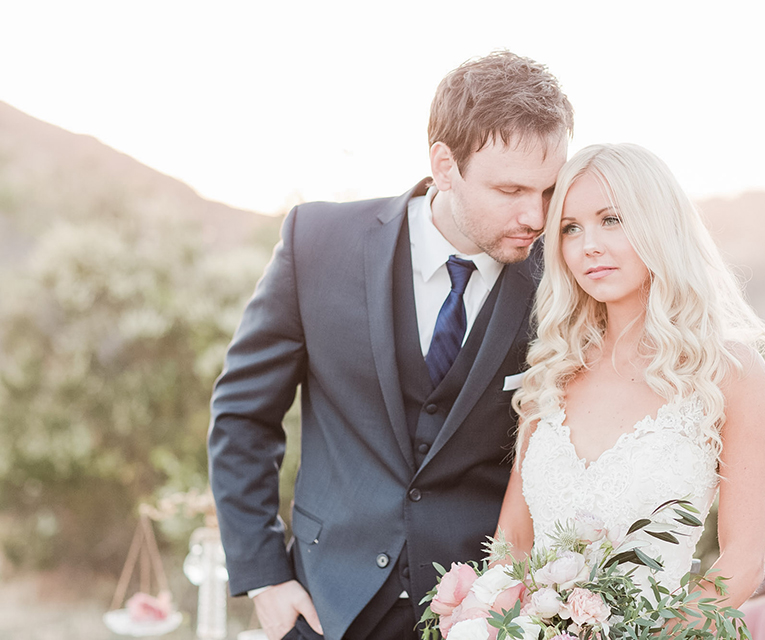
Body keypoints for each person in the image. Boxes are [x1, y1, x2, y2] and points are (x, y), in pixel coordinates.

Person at [207, 52, 573, 640]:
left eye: (548, 190)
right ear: (445, 164)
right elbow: (244, 417)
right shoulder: (318, 243)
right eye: (509, 189)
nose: (535, 215)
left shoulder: (561, 283)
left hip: (482, 615)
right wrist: (265, 577)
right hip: (323, 607)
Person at [496, 143, 765, 609]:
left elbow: (740, 567)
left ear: (659, 225)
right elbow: (512, 546)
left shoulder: (731, 374)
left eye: (612, 219)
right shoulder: (552, 370)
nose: (589, 245)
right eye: (570, 228)